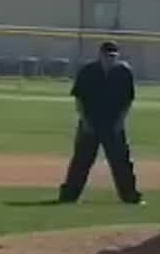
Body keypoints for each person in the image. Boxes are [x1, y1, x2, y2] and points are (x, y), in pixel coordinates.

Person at [57, 41, 143, 204]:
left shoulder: (124, 73)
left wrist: (120, 121)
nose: (110, 59)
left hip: (113, 124)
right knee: (81, 161)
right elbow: (79, 99)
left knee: (121, 162)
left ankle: (130, 196)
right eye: (107, 56)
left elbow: (128, 101)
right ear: (100, 56)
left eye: (113, 57)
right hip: (90, 122)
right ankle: (68, 196)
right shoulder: (88, 71)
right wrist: (84, 120)